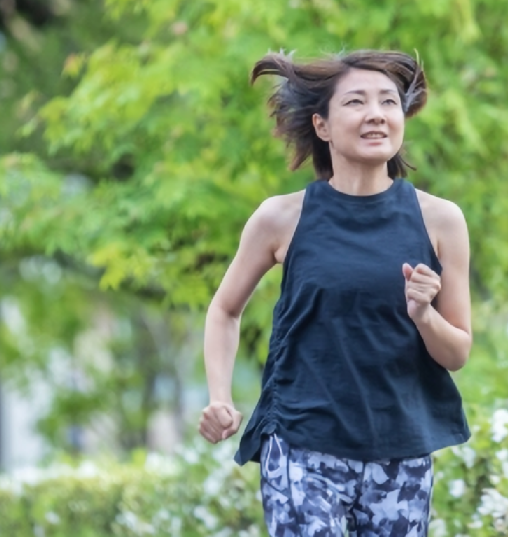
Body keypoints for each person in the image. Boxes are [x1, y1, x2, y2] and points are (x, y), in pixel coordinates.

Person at [197, 49, 473, 537]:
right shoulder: (281, 217)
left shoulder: (441, 220)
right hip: (302, 445)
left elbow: (457, 353)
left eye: (388, 102)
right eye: (356, 102)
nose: (376, 114)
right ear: (321, 126)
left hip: (402, 452)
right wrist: (220, 397)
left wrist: (424, 315)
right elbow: (225, 309)